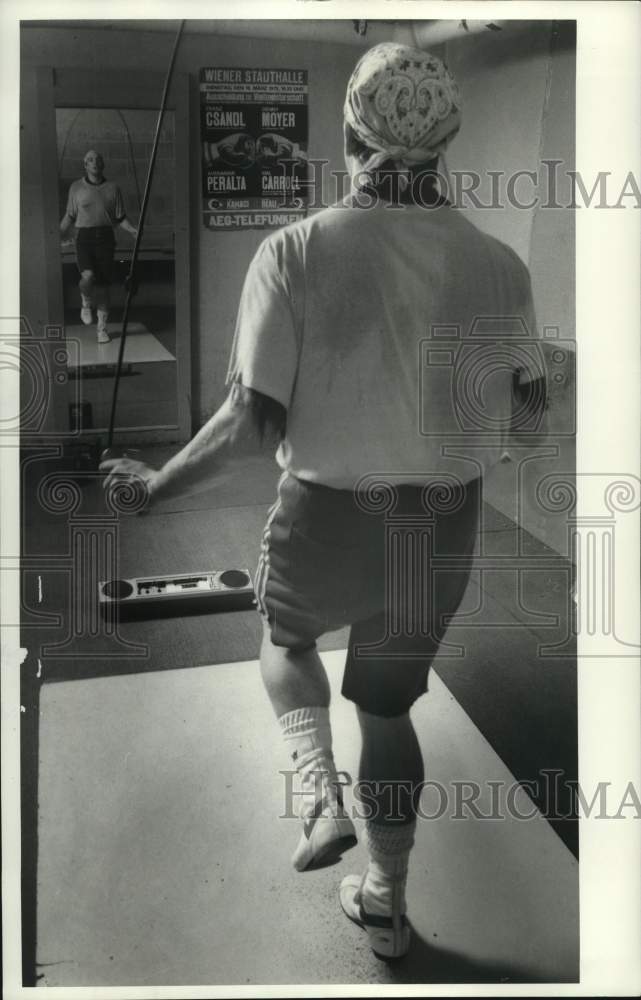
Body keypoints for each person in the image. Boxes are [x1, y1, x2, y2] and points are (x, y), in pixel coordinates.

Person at [101, 43, 547, 961]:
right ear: (448, 142)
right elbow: (528, 418)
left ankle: (316, 792)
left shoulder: (294, 251)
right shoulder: (502, 266)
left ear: (347, 131)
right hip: (443, 527)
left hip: (327, 518)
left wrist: (153, 485)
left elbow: (246, 422)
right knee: (388, 713)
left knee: (285, 640)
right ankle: (385, 901)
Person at [60, 150, 138, 344]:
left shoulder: (113, 188)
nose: (94, 162)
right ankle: (86, 303)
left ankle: (102, 330)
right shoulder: (76, 187)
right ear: (85, 165)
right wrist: (56, 234)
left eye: (98, 159)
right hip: (84, 238)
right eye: (90, 160)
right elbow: (69, 216)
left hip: (105, 238)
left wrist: (133, 230)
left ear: (103, 165)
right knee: (87, 278)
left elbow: (120, 218)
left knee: (103, 288)